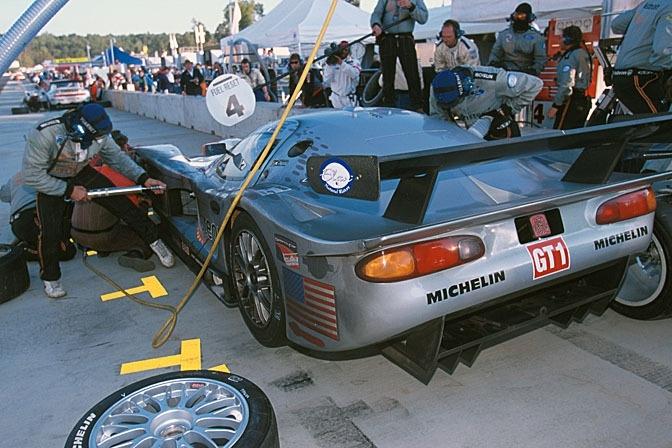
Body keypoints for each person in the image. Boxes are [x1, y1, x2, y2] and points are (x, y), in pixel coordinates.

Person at [22, 104, 175, 298]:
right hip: (51, 178)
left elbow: (117, 159)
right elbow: (32, 176)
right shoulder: (46, 134)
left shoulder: (101, 133)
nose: (96, 141)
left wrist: (143, 178)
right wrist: (68, 190)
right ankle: (51, 278)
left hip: (81, 170)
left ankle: (155, 240)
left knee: (122, 204)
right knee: (49, 231)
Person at [431, 65, 543, 140]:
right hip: (473, 134)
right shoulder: (438, 88)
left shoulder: (493, 80)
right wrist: (453, 136)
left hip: (500, 130)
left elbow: (535, 84)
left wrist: (508, 109)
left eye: (455, 102)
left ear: (466, 89)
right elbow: (438, 117)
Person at [611, 0, 672, 114]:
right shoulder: (669, 7)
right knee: (661, 123)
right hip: (641, 79)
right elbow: (662, 51)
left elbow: (616, 25)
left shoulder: (648, 4)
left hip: (622, 77)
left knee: (645, 123)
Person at [1, 172, 76, 262]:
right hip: (36, 216)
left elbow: (3, 195)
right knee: (66, 251)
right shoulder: (50, 173)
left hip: (17, 223)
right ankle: (22, 251)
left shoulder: (16, 176)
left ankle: (32, 245)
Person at [370, 0, 429, 111]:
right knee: (387, 76)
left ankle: (417, 106)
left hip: (405, 38)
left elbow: (423, 18)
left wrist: (411, 6)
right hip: (387, 39)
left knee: (412, 74)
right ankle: (388, 106)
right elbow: (376, 14)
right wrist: (376, 25)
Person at [547, 26, 592, 129]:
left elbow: (566, 84)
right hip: (582, 100)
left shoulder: (571, 56)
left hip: (571, 102)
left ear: (567, 40)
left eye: (562, 38)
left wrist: (556, 106)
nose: (560, 41)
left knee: (561, 134)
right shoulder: (583, 54)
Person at [488, 3, 546, 76]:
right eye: (516, 15)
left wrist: (534, 70)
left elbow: (540, 59)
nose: (518, 18)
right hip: (506, 72)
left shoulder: (536, 37)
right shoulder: (504, 35)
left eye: (522, 16)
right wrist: (494, 63)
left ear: (528, 17)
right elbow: (495, 53)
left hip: (526, 73)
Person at [323, 41, 361, 109]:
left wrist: (341, 63)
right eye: (341, 49)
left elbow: (354, 74)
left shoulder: (354, 62)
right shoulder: (332, 63)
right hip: (336, 98)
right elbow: (327, 80)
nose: (343, 51)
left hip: (349, 98)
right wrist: (329, 65)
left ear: (349, 51)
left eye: (346, 50)